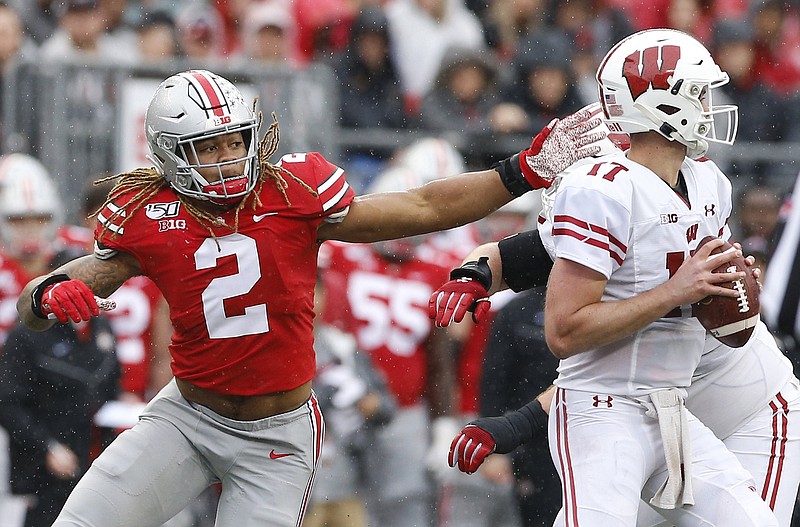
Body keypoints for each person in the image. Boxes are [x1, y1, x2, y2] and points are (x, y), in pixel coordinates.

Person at [15, 68, 607, 526]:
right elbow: (57, 288)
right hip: (185, 418)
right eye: (206, 148)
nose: (225, 160)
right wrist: (47, 296)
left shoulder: (292, 194)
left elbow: (421, 208)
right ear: (169, 153)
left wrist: (518, 172)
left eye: (232, 142)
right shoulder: (148, 215)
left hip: (276, 436)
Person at [436, 29, 785, 526]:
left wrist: (723, 287)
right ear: (662, 103)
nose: (710, 106)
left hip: (674, 410)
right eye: (698, 93)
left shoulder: (708, 182)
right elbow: (563, 331)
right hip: (604, 413)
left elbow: (547, 255)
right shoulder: (602, 189)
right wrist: (676, 291)